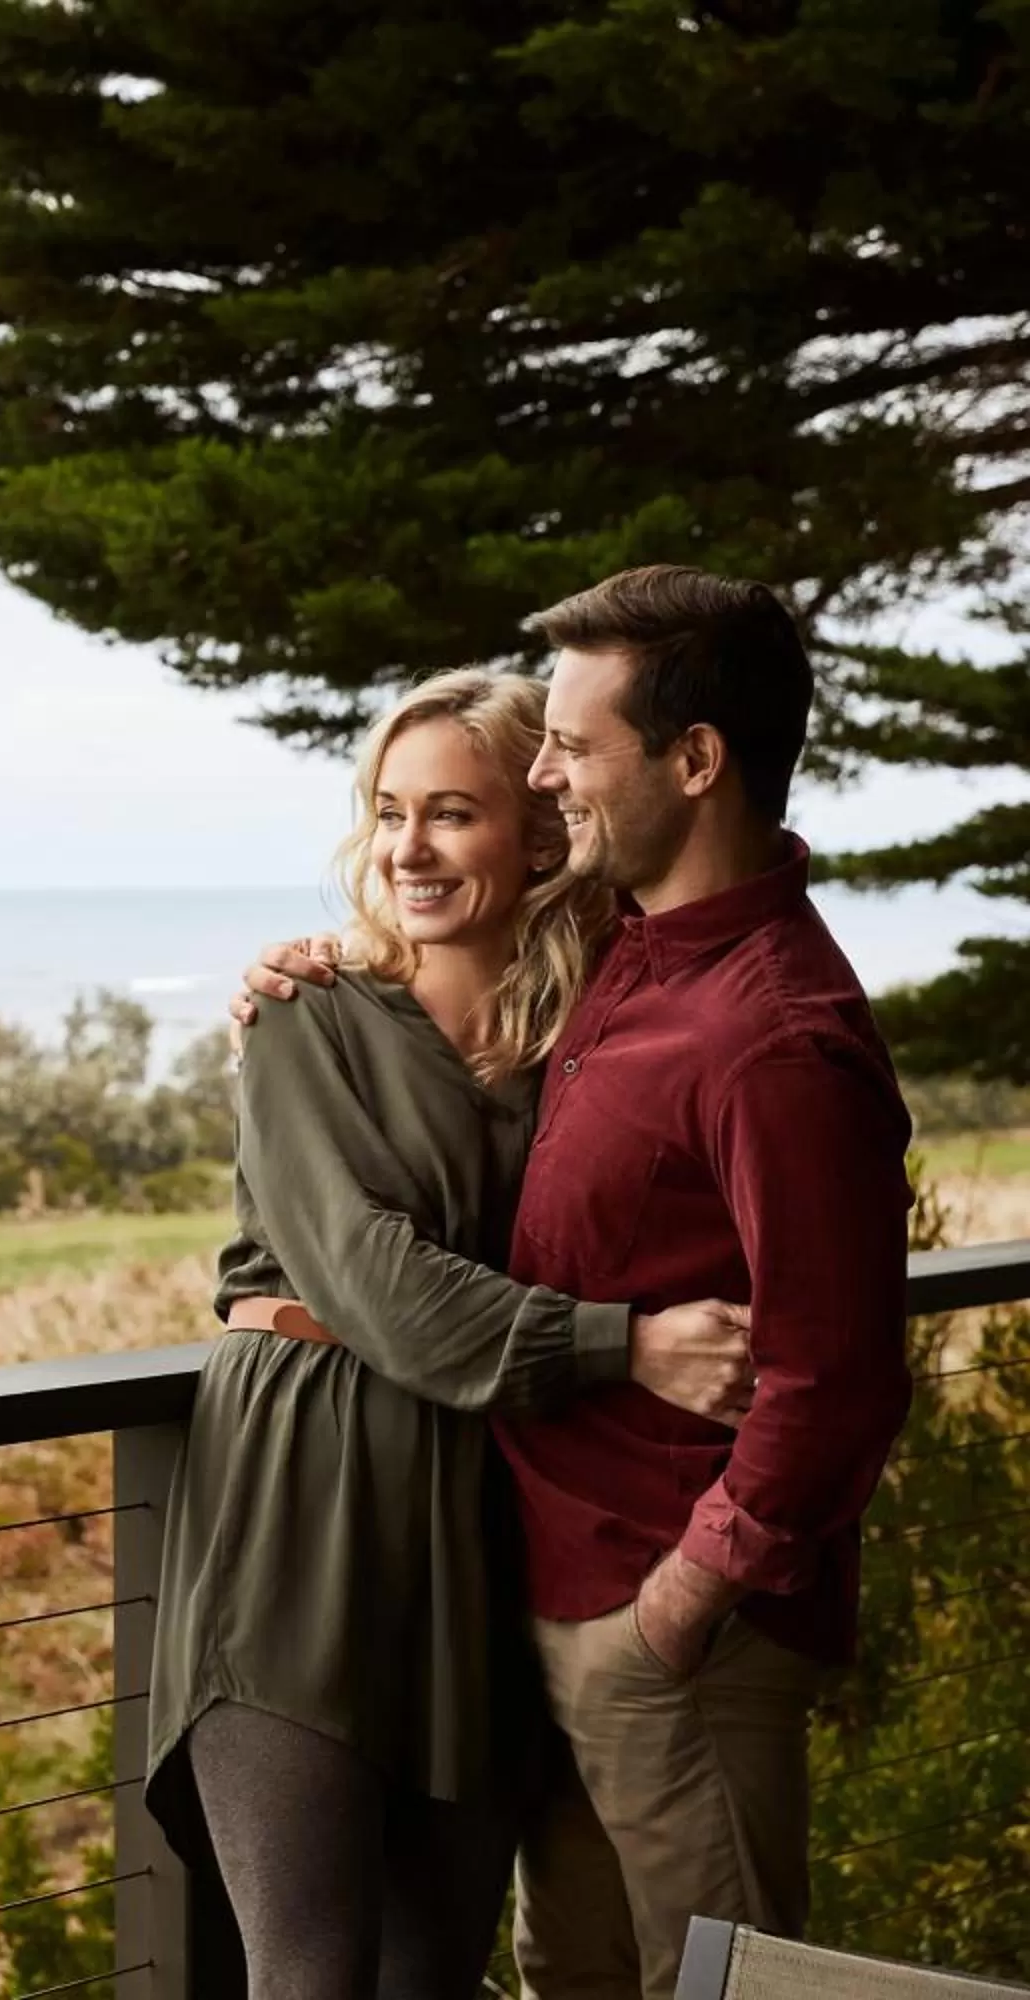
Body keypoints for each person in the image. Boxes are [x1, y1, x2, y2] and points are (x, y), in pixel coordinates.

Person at [232, 567, 915, 2000]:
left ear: (696, 759)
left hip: (669, 1623)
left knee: (720, 1985)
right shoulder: (625, 964)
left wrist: (680, 1604)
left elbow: (835, 1375)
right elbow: (452, 999)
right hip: (542, 1599)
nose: (548, 777)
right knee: (574, 1978)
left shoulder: (770, 1033)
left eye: (572, 749)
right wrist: (315, 968)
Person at [148, 666, 756, 2000]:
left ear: (540, 829)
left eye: (451, 815)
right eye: (386, 812)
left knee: (437, 1971)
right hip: (301, 1501)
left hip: (486, 1518)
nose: (406, 850)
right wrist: (629, 1346)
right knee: (310, 1971)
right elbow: (370, 1278)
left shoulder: (593, 1032)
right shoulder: (311, 1019)